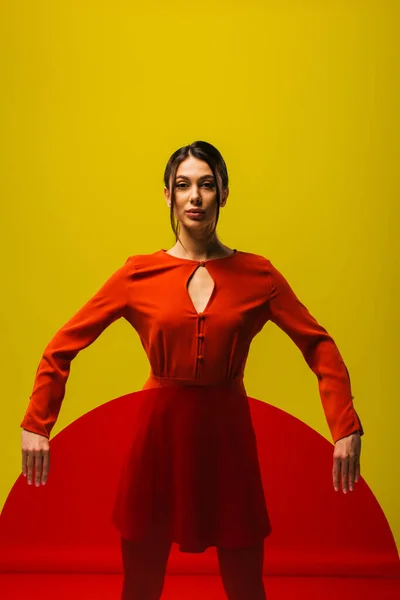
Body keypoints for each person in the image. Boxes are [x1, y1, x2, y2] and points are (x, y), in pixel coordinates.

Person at [20, 140, 363, 600]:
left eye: (206, 184)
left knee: (245, 587)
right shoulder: (137, 273)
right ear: (167, 195)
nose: (195, 196)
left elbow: (319, 346)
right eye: (183, 186)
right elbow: (63, 345)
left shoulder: (259, 275)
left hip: (228, 442)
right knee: (140, 586)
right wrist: (37, 423)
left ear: (223, 192)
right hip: (157, 442)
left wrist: (345, 427)